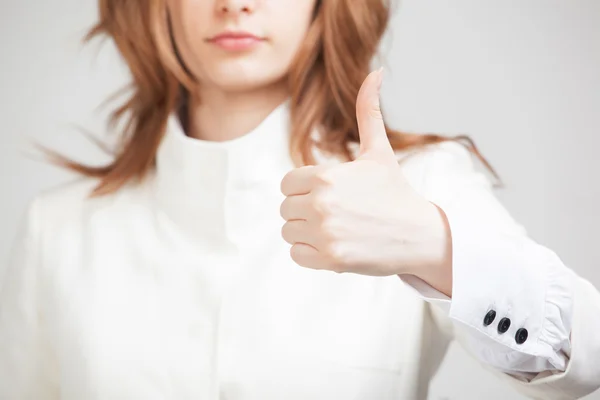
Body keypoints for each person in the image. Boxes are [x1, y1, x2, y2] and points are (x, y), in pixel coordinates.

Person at [1, 0, 599, 399]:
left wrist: (433, 246)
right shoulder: (57, 229)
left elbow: (588, 357)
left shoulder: (418, 188)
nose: (235, 2)